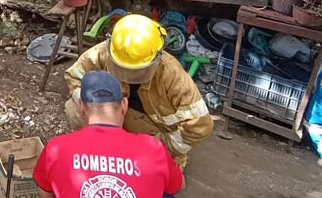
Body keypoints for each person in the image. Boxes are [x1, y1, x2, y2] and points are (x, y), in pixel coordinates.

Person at [35, 70, 185, 198]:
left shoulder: (56, 148)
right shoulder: (152, 148)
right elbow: (179, 185)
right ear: (124, 105)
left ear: (81, 107)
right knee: (166, 195)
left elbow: (46, 197)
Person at [64, 14, 213, 168]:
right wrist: (96, 113)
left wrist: (160, 145)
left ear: (158, 56)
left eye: (137, 71)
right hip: (114, 116)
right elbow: (74, 76)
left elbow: (200, 125)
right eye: (123, 68)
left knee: (150, 178)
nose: (129, 76)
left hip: (151, 130)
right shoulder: (104, 52)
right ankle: (101, 150)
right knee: (73, 109)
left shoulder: (172, 75)